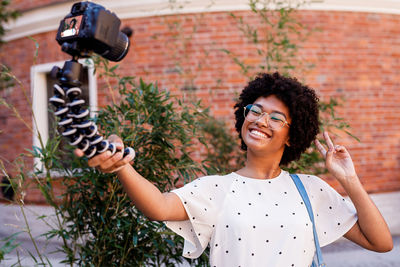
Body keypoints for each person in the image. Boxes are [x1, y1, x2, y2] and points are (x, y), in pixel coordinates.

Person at [75, 72, 393, 266]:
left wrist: (349, 179)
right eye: (255, 110)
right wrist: (121, 166)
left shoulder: (310, 189)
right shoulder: (217, 187)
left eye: (275, 117)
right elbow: (159, 207)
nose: (260, 120)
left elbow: (381, 243)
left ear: (293, 135)